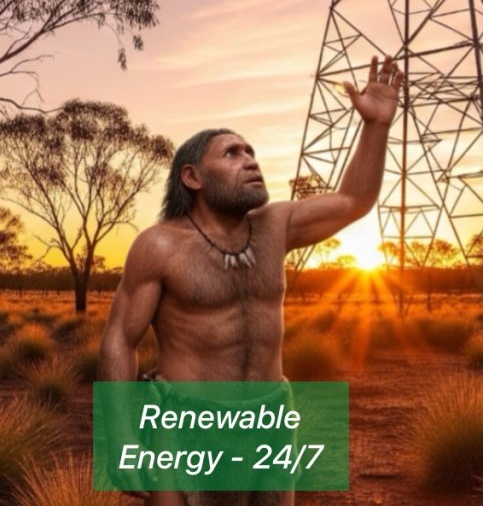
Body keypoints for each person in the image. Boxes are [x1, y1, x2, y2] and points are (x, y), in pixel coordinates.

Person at [98, 55, 403, 506]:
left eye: (252, 152)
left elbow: (353, 199)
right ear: (192, 177)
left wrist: (375, 126)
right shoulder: (160, 246)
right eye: (231, 153)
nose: (250, 160)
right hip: (185, 425)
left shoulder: (275, 225)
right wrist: (121, 441)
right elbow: (119, 339)